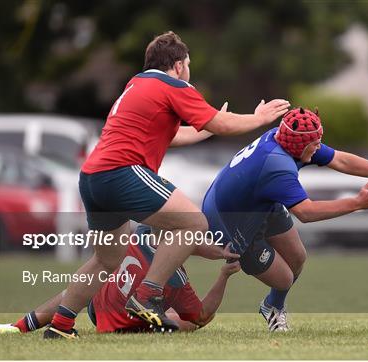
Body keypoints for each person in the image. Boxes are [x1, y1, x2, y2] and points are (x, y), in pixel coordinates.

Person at [45, 31, 290, 338]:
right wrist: (258, 117)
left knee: (106, 260)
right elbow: (222, 123)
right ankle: (146, 295)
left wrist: (207, 128)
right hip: (122, 172)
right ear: (177, 65)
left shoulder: (136, 84)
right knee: (193, 222)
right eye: (187, 64)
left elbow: (171, 135)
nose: (188, 70)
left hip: (93, 178)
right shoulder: (173, 84)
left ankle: (60, 326)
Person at [202, 107, 368, 331]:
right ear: (301, 145)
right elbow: (307, 212)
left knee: (297, 257)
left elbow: (341, 160)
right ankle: (271, 307)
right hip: (229, 221)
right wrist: (356, 204)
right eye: (316, 143)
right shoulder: (277, 166)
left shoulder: (286, 137)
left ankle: (272, 306)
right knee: (283, 279)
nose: (319, 147)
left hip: (254, 202)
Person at [0, 225, 241, 337]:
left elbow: (184, 243)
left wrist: (220, 252)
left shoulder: (142, 233)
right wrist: (224, 275)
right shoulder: (176, 280)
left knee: (75, 290)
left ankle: (19, 326)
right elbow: (203, 315)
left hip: (98, 304)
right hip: (123, 325)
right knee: (186, 322)